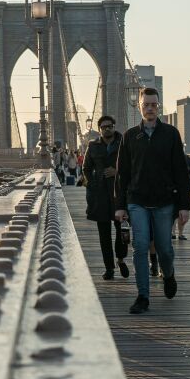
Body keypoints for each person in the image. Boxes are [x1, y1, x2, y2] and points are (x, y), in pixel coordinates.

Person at [114, 87, 190, 314]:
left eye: (154, 105)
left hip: (164, 201)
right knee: (139, 246)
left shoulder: (171, 134)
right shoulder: (129, 136)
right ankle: (143, 296)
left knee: (164, 249)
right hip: (137, 201)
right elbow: (122, 174)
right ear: (139, 107)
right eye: (146, 104)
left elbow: (180, 171)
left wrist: (184, 206)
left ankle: (169, 275)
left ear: (159, 106)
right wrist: (120, 206)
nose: (150, 108)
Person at [82, 115, 129, 280]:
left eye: (109, 126)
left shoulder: (124, 142)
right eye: (103, 127)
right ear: (100, 129)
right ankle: (109, 268)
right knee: (104, 235)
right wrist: (92, 184)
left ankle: (121, 259)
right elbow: (86, 168)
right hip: (100, 195)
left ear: (114, 126)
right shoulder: (93, 146)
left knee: (122, 230)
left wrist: (117, 172)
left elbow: (133, 165)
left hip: (120, 194)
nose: (107, 129)